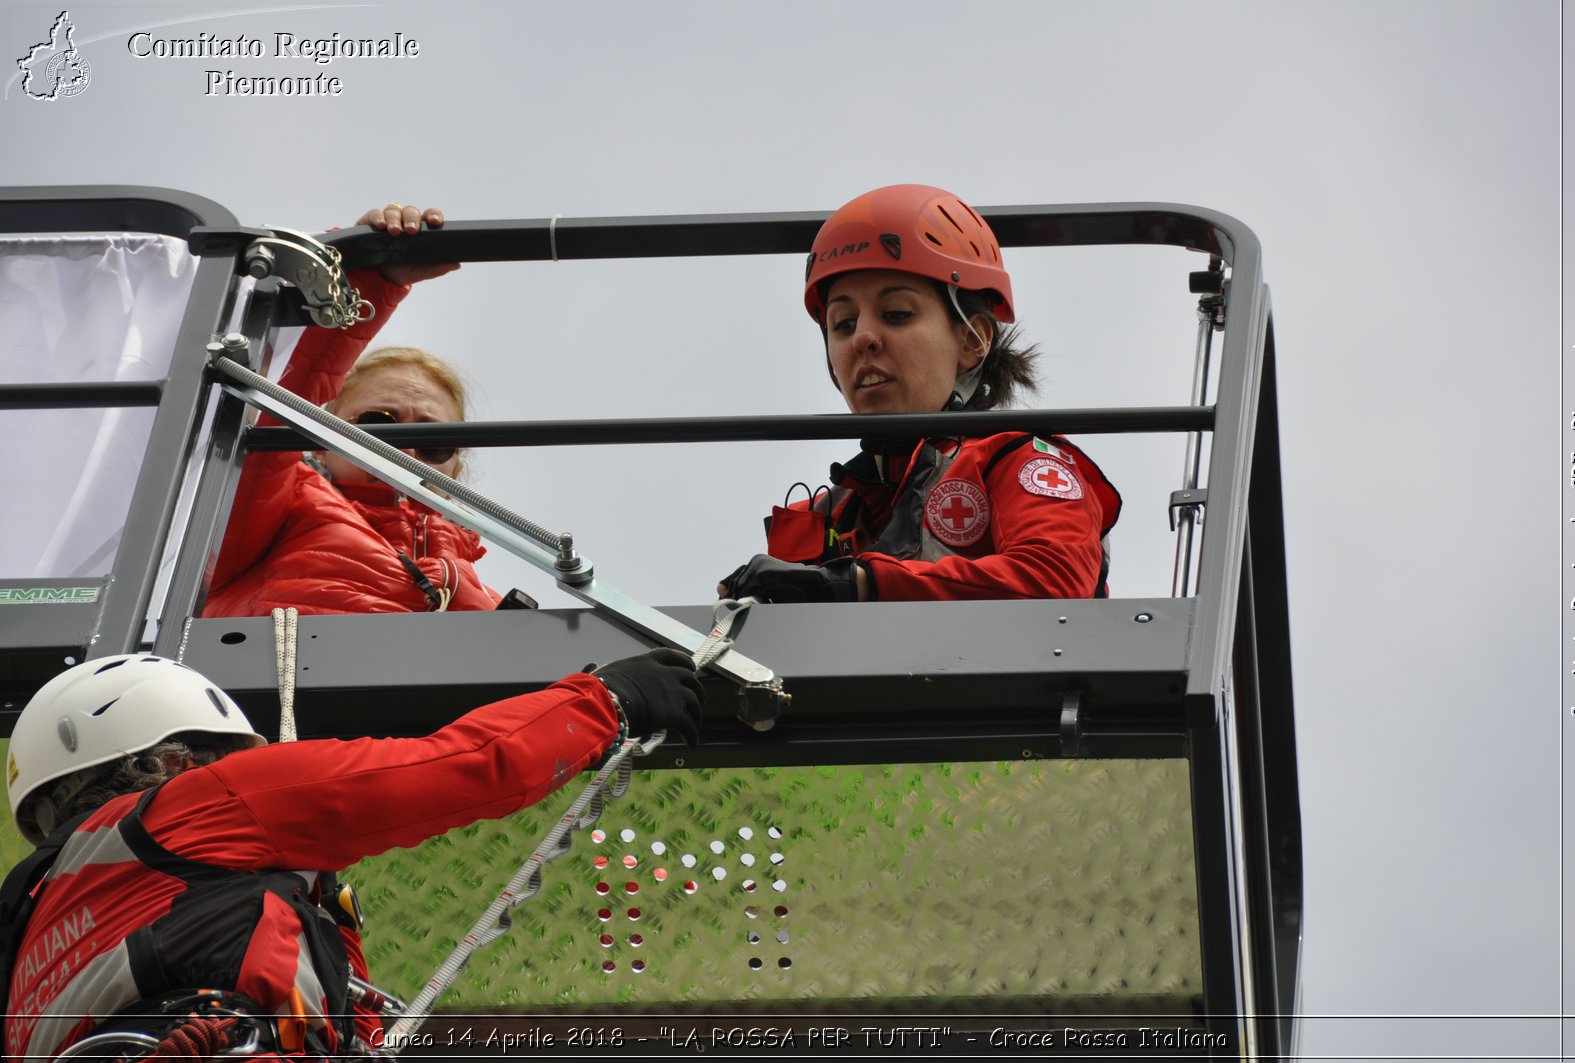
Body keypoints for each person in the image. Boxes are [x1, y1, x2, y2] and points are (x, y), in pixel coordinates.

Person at [1, 648, 702, 1059]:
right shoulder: (196, 809)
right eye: (213, 756)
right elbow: (463, 765)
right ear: (170, 755)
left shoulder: (27, 937)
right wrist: (608, 699)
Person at [718, 184, 1122, 604]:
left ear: (972, 340)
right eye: (842, 323)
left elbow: (1055, 583)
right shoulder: (827, 513)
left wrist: (859, 584)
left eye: (896, 314)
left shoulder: (1018, 461)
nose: (863, 339)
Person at [202, 204, 494, 617]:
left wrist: (602, 686)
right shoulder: (273, 509)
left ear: (454, 474)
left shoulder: (494, 606)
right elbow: (279, 401)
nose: (406, 450)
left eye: (435, 442)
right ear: (318, 443)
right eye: (378, 425)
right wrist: (371, 275)